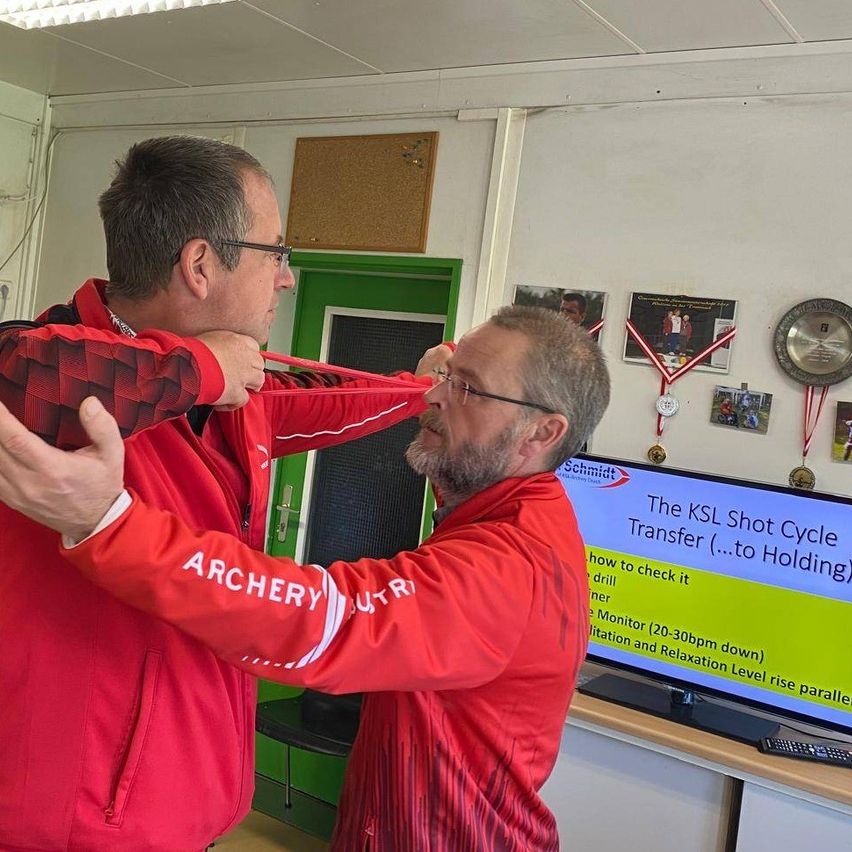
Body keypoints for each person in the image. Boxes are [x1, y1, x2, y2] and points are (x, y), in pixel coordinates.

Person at [0, 305, 610, 852]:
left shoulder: (512, 568)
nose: (437, 398)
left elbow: (318, 617)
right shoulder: (506, 514)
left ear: (542, 432)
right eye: (448, 375)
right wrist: (411, 386)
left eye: (468, 388)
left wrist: (107, 524)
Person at [0, 136, 437, 851]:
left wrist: (423, 393)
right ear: (200, 265)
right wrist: (199, 366)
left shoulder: (238, 389)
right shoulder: (51, 361)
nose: (287, 278)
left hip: (192, 808)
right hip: (68, 826)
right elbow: (23, 372)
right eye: (277, 251)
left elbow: (317, 399)